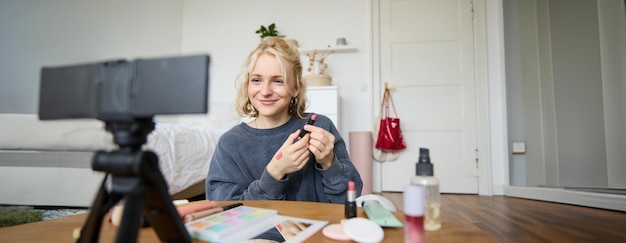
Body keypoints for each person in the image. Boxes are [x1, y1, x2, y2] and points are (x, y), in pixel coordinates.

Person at [205, 37, 363, 204]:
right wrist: (274, 173)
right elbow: (226, 213)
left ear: (296, 88)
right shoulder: (230, 143)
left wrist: (329, 163)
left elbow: (350, 199)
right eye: (256, 80)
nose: (265, 91)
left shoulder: (321, 127)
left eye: (278, 81)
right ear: (247, 86)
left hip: (319, 228)